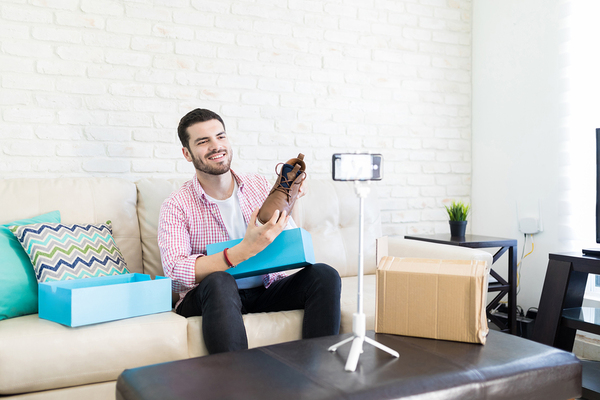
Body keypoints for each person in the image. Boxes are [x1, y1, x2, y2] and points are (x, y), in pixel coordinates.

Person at [158, 108, 341, 354]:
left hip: (265, 289)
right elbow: (175, 272)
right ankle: (237, 383)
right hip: (212, 296)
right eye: (203, 141)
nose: (216, 146)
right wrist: (242, 251)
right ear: (187, 154)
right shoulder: (176, 204)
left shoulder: (258, 185)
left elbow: (289, 239)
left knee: (324, 275)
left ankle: (316, 375)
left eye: (220, 137)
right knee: (220, 281)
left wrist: (294, 199)